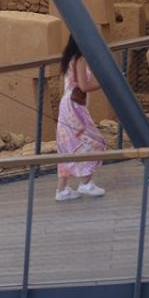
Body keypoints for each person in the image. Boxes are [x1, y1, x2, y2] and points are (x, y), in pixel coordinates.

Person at [55, 36, 106, 200]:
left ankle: (62, 190)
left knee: (67, 146)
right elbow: (84, 86)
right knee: (94, 141)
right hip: (75, 106)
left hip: (67, 104)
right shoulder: (81, 58)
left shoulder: (69, 58)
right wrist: (105, 82)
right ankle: (86, 183)